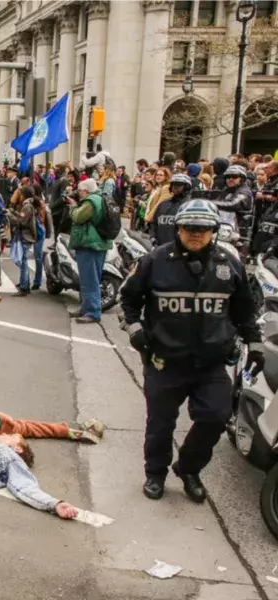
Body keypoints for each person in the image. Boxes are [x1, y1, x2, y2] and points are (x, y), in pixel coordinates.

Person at [120, 200, 263, 503]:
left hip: (211, 362)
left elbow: (244, 311)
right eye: (189, 228)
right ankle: (155, 474)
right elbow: (128, 301)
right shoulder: (155, 261)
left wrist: (256, 343)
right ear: (178, 228)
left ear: (214, 231)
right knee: (160, 424)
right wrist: (135, 332)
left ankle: (188, 468)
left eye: (203, 229)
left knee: (216, 416)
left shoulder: (230, 264)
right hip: (164, 361)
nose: (196, 234)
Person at [65, 179, 113, 323]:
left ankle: (92, 312)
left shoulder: (91, 201)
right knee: (89, 279)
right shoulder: (100, 198)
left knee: (90, 280)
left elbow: (78, 217)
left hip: (90, 245)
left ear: (86, 191)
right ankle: (86, 307)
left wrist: (73, 207)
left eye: (79, 191)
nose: (78, 194)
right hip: (96, 244)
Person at [149, 173, 193, 247]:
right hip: (159, 247)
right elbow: (154, 222)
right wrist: (153, 237)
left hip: (179, 250)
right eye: (173, 184)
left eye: (179, 185)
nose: (175, 187)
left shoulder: (189, 206)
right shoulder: (163, 204)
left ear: (186, 187)